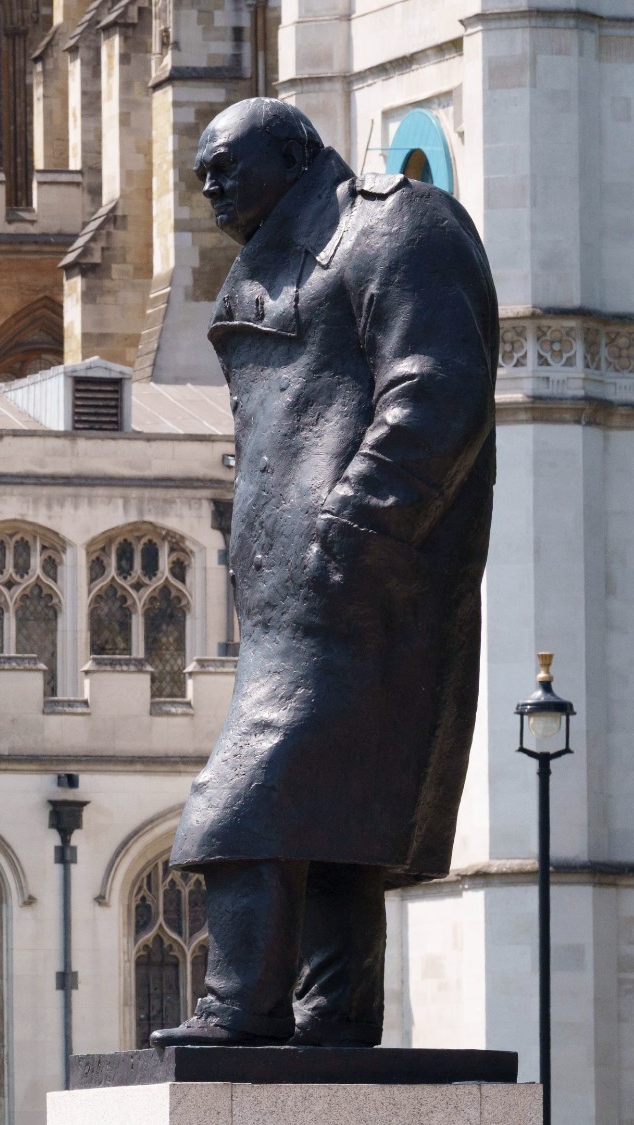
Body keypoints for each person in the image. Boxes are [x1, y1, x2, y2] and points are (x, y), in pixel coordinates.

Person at [153, 98, 497, 1048]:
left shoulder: (393, 222)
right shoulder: (268, 257)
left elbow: (438, 385)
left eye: (228, 163)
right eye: (202, 173)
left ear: (297, 150)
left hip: (366, 583)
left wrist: (356, 523)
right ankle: (332, 1018)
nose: (211, 184)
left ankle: (241, 1008)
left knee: (248, 799)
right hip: (291, 592)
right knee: (341, 813)